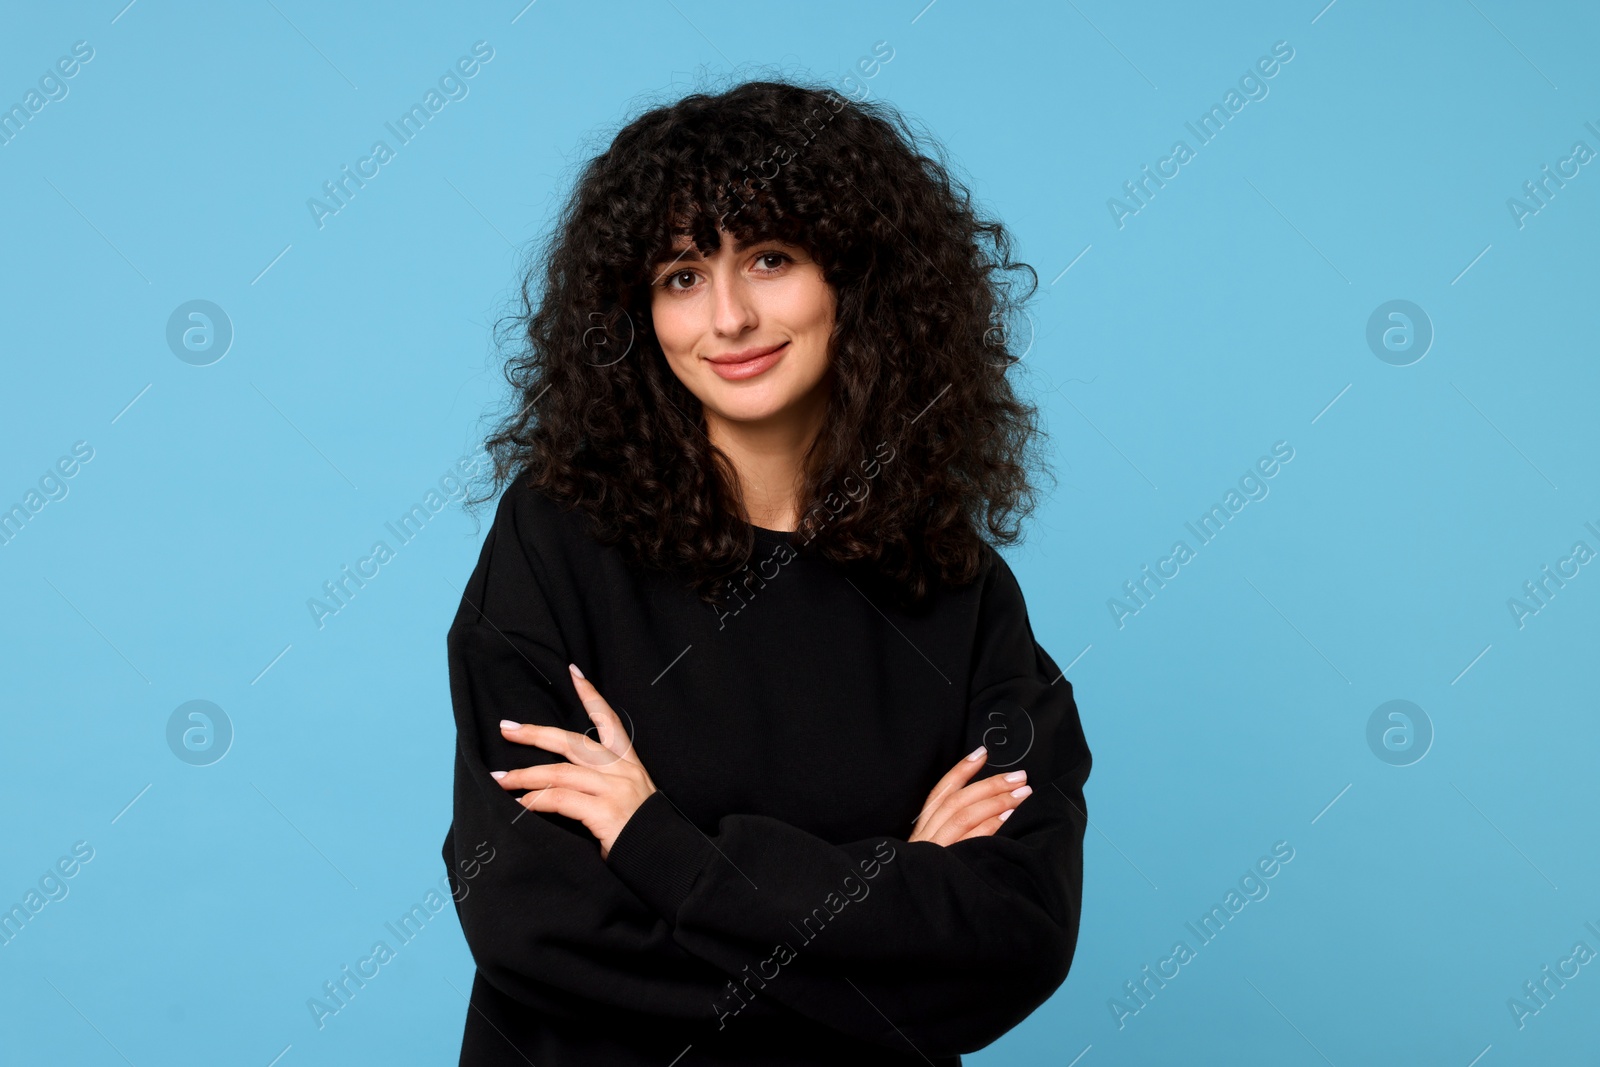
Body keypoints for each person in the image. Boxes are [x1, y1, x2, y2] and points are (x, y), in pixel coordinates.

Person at [441, 76, 1092, 1066]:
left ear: (858, 281)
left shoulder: (959, 589)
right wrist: (893, 894)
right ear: (636, 310)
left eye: (771, 259)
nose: (730, 316)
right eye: (681, 275)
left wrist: (656, 845)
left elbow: (1016, 935)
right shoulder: (555, 545)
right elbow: (532, 922)